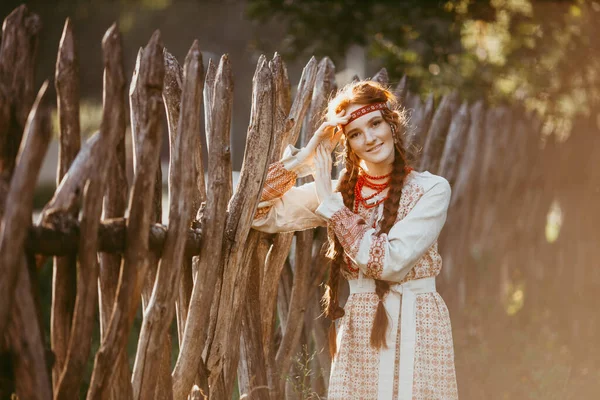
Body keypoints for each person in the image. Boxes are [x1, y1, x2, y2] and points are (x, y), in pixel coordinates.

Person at [252, 80, 458, 400]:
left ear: (391, 122)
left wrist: (331, 206)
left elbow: (389, 263)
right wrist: (304, 158)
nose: (370, 138)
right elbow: (256, 211)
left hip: (419, 324)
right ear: (348, 144)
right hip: (360, 331)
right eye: (356, 133)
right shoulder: (338, 194)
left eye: (375, 123)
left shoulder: (431, 190)